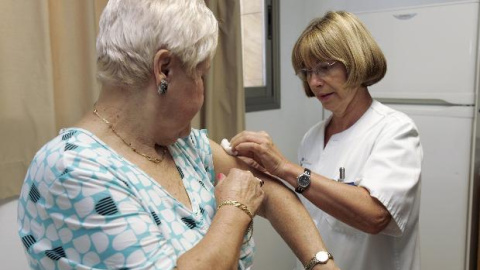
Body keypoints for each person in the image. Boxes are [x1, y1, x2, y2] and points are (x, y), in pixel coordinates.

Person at [17, 1, 339, 269]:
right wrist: (234, 210)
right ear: (165, 70)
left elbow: (269, 190)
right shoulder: (71, 169)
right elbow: (245, 195)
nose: (202, 94)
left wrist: (320, 263)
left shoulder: (185, 145)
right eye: (201, 75)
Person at [229, 11, 423, 270]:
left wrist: (286, 168)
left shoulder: (395, 130)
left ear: (356, 60)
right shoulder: (313, 137)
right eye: (307, 71)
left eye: (325, 67)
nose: (314, 82)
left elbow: (375, 215)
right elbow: (313, 208)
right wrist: (268, 174)